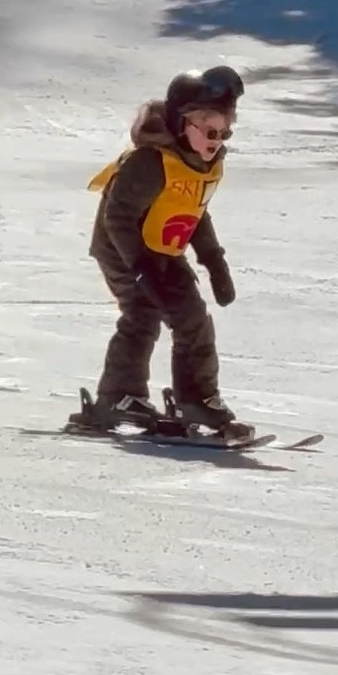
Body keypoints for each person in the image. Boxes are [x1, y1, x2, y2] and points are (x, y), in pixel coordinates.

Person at [87, 65, 248, 433]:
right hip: (122, 247)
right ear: (180, 122)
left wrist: (214, 263)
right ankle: (119, 396)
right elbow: (118, 218)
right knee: (142, 311)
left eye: (225, 129)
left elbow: (193, 212)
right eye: (209, 128)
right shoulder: (150, 162)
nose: (217, 138)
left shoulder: (204, 163)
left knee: (193, 317)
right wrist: (140, 267)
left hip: (162, 247)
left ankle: (197, 400)